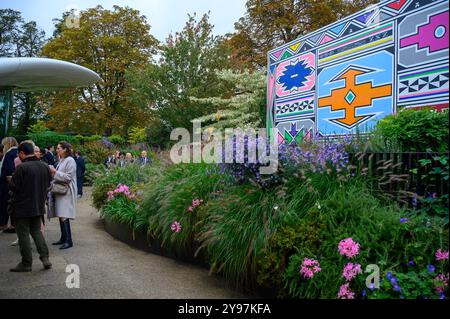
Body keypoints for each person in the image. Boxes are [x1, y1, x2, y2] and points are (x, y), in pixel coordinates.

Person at [8, 141, 52, 272]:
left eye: (19, 154)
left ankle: (26, 263)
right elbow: (49, 184)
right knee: (37, 232)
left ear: (22, 153)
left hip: (22, 207)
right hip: (38, 205)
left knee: (23, 235)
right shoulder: (44, 166)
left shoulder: (21, 168)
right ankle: (45, 258)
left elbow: (13, 188)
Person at [48, 141, 77, 249]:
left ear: (65, 149)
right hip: (61, 191)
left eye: (59, 148)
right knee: (61, 215)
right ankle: (63, 238)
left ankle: (69, 241)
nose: (57, 150)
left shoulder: (70, 160)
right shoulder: (62, 160)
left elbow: (68, 177)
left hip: (67, 192)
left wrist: (54, 172)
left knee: (64, 215)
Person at [0, 137, 18, 232]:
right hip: (17, 185)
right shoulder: (18, 152)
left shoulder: (9, 154)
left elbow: (8, 170)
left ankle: (7, 225)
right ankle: (12, 225)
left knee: (6, 204)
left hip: (7, 185)